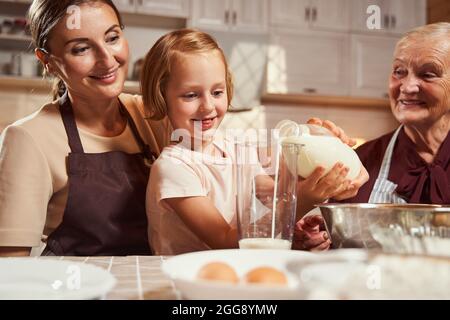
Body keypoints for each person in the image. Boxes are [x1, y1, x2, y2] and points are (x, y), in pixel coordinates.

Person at [142, 29, 368, 255]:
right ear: (161, 97)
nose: (209, 106)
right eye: (191, 95)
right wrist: (300, 204)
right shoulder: (173, 167)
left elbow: (277, 196)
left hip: (230, 275)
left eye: (217, 92)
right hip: (180, 279)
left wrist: (292, 228)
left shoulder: (233, 149)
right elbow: (223, 240)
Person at [0, 0, 171, 257]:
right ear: (48, 61)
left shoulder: (154, 116)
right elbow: (9, 265)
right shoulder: (28, 138)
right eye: (81, 49)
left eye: (112, 38)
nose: (106, 59)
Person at [310, 22, 450, 205]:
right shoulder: (359, 164)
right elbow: (334, 229)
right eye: (399, 71)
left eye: (428, 74)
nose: (407, 87)